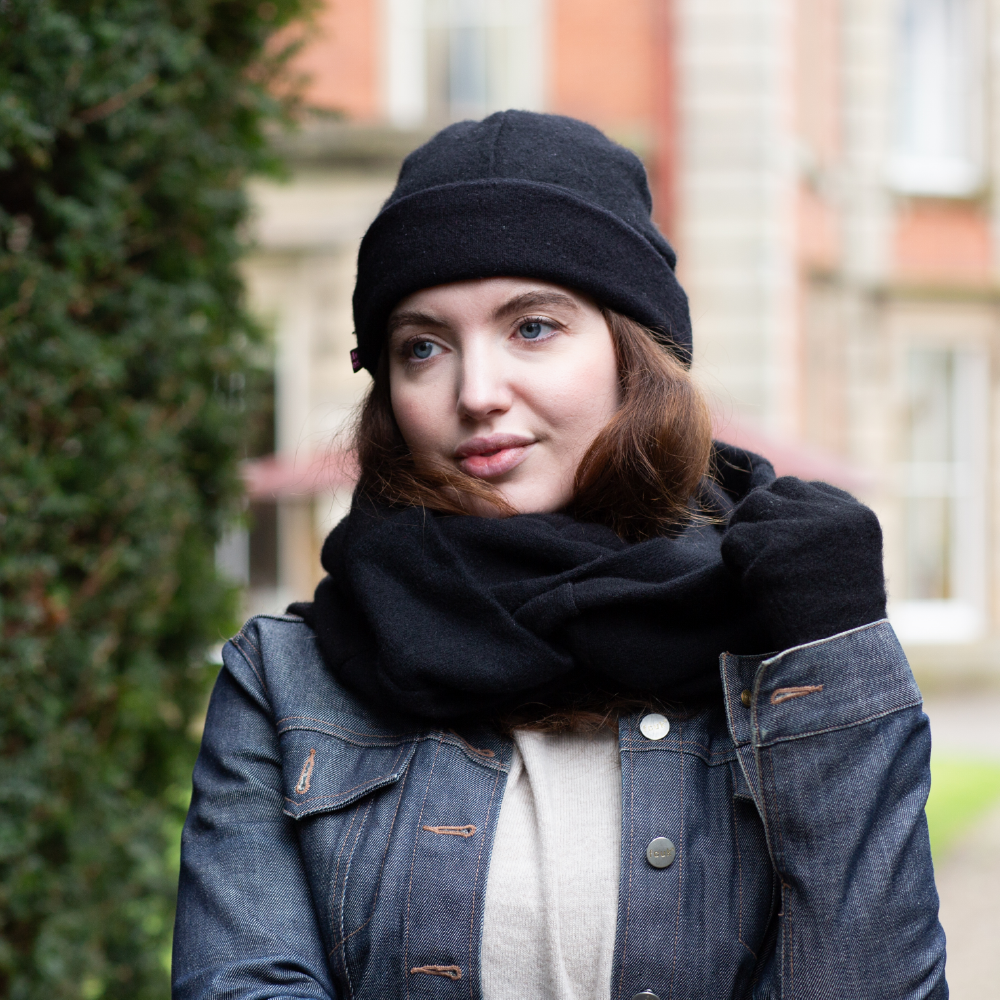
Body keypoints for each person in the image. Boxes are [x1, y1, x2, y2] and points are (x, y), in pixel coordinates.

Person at [172, 111, 947, 1000]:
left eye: (532, 327)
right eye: (422, 346)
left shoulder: (781, 638)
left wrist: (832, 658)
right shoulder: (284, 685)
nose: (476, 392)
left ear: (632, 352)